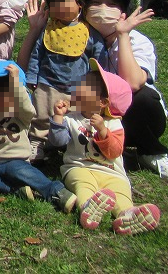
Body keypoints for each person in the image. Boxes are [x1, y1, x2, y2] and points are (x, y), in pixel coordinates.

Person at [82, 0, 168, 184]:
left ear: (123, 13)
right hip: (90, 115)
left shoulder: (138, 41)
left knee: (143, 97)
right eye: (96, 2)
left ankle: (151, 152)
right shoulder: (76, 37)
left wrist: (122, 35)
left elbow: (133, 84)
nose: (102, 9)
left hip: (132, 117)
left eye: (111, 4)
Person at [48, 60, 161, 234]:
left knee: (120, 191)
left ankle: (127, 214)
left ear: (103, 102)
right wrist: (58, 117)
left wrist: (102, 131)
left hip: (111, 172)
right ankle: (88, 206)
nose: (78, 87)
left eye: (86, 86)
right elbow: (58, 141)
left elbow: (114, 152)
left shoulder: (113, 124)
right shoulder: (71, 118)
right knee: (83, 185)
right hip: (79, 167)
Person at [0, 61, 77, 212]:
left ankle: (56, 191)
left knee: (23, 172)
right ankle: (14, 190)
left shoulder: (20, 113)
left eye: (0, 90)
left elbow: (26, 106)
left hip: (15, 161)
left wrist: (15, 82)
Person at [25, 0, 107, 162]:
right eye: (54, 2)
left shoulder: (88, 31)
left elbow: (98, 56)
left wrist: (100, 82)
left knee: (71, 117)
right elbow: (37, 53)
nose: (59, 5)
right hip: (47, 82)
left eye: (64, 0)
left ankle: (68, 144)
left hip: (77, 87)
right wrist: (32, 76)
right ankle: (38, 141)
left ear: (79, 3)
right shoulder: (49, 30)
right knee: (41, 113)